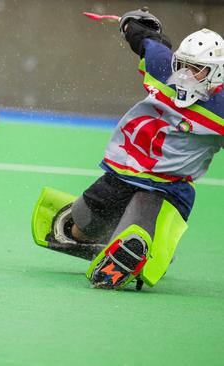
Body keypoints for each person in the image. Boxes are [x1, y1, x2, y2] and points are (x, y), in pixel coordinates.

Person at [31, 9, 224, 290]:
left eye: (196, 69)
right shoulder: (162, 67)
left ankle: (150, 239)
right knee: (74, 230)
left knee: (134, 239)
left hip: (167, 189)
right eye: (182, 64)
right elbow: (145, 38)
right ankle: (144, 241)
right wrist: (131, 22)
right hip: (122, 173)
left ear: (216, 73)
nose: (184, 75)